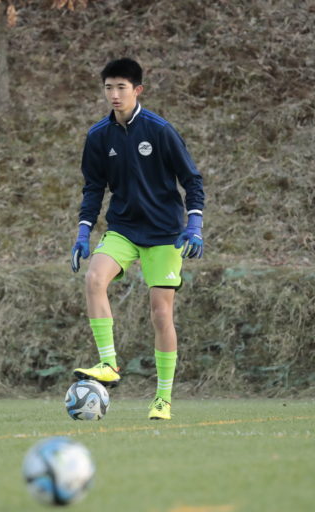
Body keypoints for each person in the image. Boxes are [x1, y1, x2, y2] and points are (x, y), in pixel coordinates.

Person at [70, 58, 205, 420]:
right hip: (124, 229)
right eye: (108, 87)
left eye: (121, 87)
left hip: (165, 234)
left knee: (161, 314)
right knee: (94, 278)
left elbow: (191, 180)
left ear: (138, 90)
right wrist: (83, 230)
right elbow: (93, 187)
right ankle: (109, 364)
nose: (114, 94)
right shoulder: (98, 136)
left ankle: (162, 399)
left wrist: (194, 224)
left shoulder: (160, 130)